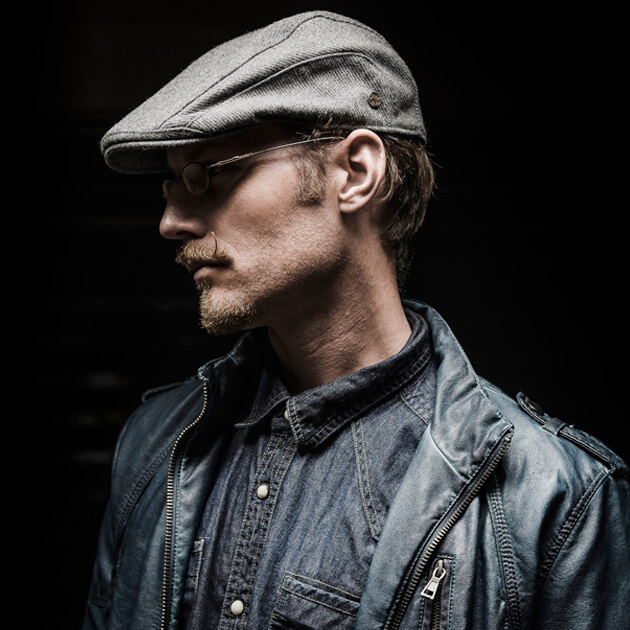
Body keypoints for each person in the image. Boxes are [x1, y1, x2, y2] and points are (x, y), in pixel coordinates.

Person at [83, 11, 629, 630]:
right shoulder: (155, 442)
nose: (171, 223)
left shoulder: (555, 499)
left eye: (207, 175)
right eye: (170, 187)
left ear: (356, 173)